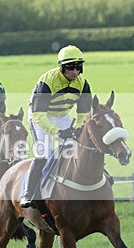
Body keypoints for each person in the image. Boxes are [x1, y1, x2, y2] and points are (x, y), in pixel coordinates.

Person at [20, 45, 92, 208]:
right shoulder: (47, 81)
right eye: (70, 67)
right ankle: (28, 192)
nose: (75, 71)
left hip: (62, 116)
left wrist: (76, 128)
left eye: (78, 67)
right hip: (40, 116)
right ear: (62, 67)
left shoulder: (83, 84)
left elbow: (84, 112)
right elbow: (39, 115)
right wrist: (59, 132)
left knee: (74, 148)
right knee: (43, 153)